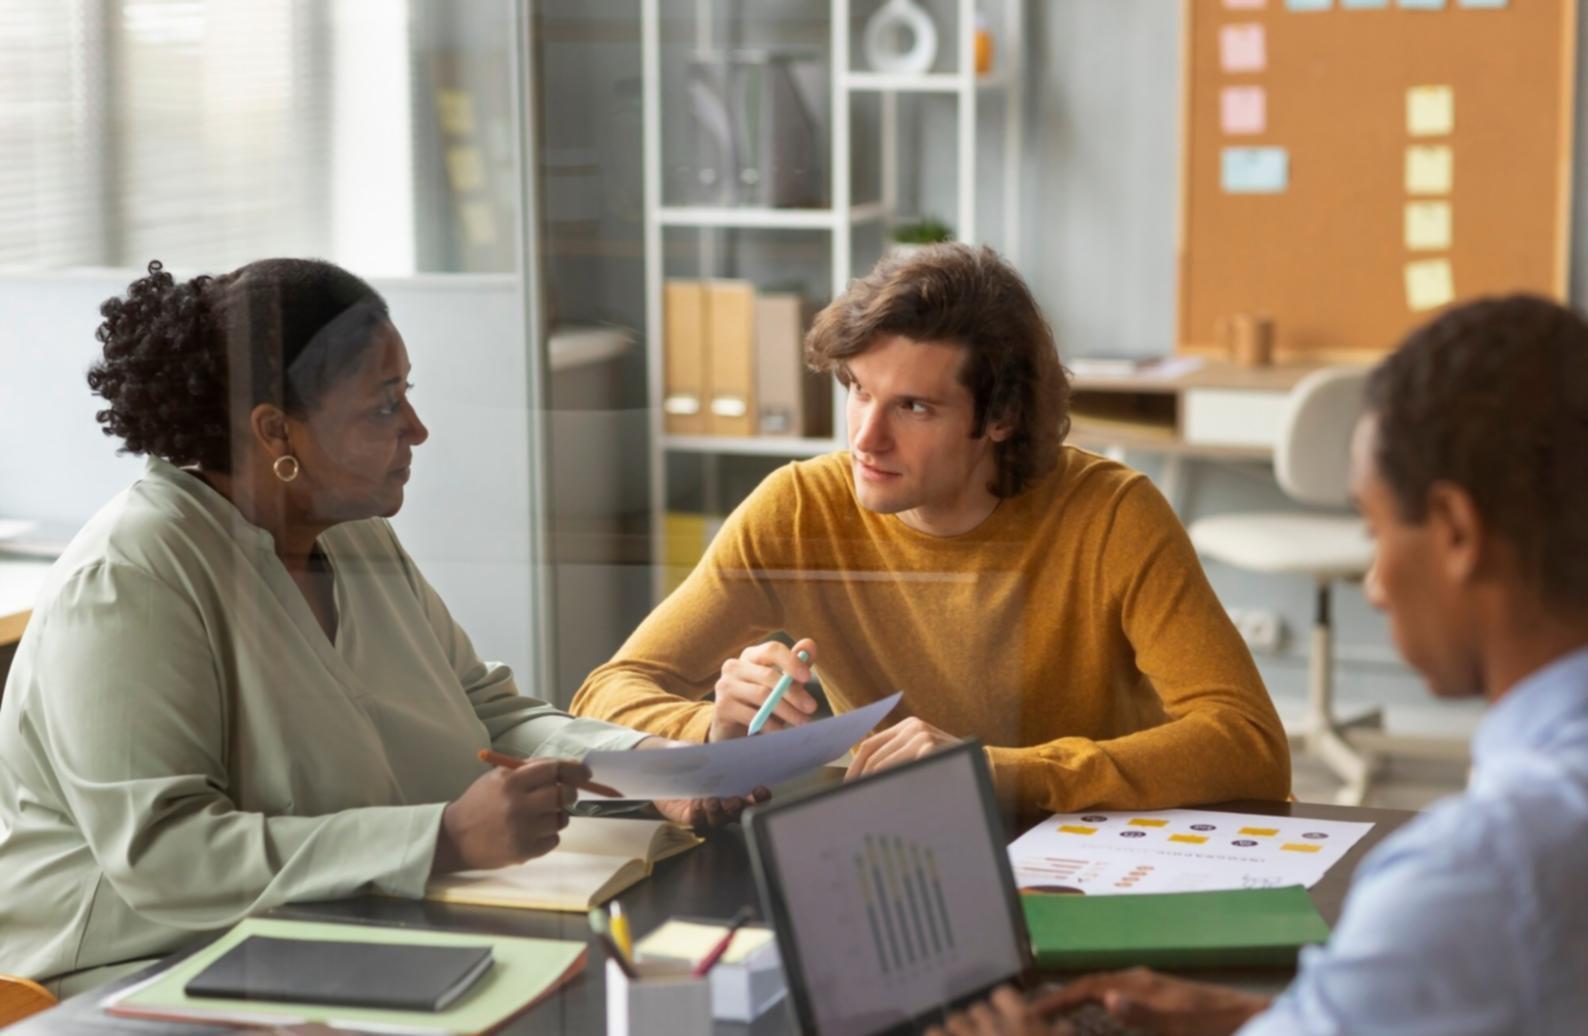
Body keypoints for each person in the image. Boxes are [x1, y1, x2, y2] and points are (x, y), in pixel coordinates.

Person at [0, 259, 761, 997]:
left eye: (408, 396)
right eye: (383, 406)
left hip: (328, 936)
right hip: (131, 978)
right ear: (276, 433)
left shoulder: (353, 535)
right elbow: (165, 857)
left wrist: (657, 768)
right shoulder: (131, 578)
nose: (417, 430)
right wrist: (444, 838)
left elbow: (484, 713)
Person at [928, 294, 1588, 1035]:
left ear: (1457, 532)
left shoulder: (1477, 872)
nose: (1374, 586)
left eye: (1374, 530)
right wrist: (1263, 1017)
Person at [573, 244, 1289, 817]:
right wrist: (713, 733)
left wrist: (996, 773)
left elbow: (1250, 744)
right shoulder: (798, 509)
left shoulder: (1111, 515)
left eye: (914, 407)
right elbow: (606, 693)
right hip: (902, 846)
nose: (866, 438)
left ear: (1001, 418)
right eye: (858, 390)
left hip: (1086, 850)